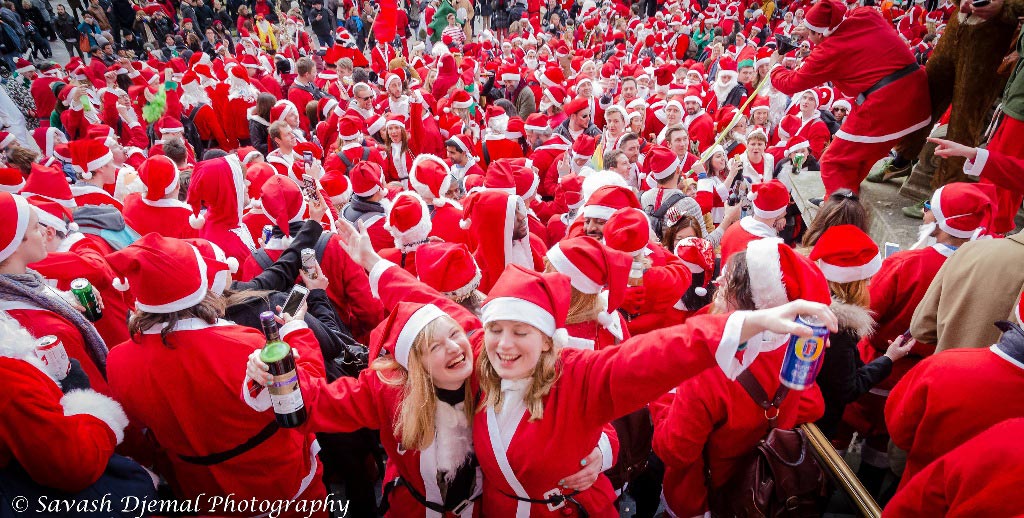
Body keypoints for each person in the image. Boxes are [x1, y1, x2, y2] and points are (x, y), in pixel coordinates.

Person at [333, 214, 837, 516]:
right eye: (496, 330)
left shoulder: (578, 373)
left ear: (547, 337)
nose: (505, 345)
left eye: (521, 332)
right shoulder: (477, 353)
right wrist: (372, 262)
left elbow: (657, 356)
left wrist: (747, 324)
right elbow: (426, 301)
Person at [655, 238, 829, 518]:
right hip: (764, 485)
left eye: (728, 280)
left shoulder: (709, 366)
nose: (717, 281)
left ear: (747, 300)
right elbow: (811, 406)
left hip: (705, 495)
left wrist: (664, 395)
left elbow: (674, 450)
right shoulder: (799, 347)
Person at [768, 0, 930, 196]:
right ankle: (847, 197)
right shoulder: (867, 14)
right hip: (919, 95)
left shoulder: (829, 50)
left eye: (812, 33)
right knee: (858, 158)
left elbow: (790, 83)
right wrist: (814, 31)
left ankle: (838, 211)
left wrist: (774, 66)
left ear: (820, 33)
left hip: (887, 105)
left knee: (834, 162)